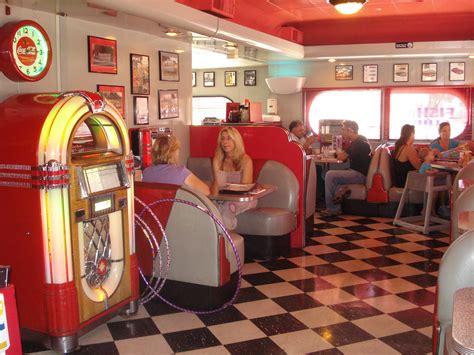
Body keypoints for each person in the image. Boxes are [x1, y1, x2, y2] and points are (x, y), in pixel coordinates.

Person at [320, 120, 372, 217]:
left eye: (343, 130)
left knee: (329, 175)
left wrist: (337, 151)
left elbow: (342, 157)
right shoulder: (357, 141)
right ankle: (340, 192)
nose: (342, 132)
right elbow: (345, 155)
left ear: (350, 130)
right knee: (324, 174)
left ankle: (333, 209)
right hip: (357, 172)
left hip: (360, 175)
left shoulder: (359, 142)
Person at [211, 127, 256, 230]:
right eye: (222, 139)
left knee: (226, 212)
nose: (225, 142)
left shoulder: (246, 160)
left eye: (229, 138)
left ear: (236, 141)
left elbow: (245, 188)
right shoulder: (217, 160)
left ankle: (228, 244)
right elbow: (216, 184)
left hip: (243, 199)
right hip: (223, 198)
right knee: (212, 210)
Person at [142, 135, 210, 196]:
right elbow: (206, 191)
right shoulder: (181, 172)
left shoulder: (146, 172)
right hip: (177, 209)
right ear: (173, 153)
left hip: (154, 209)